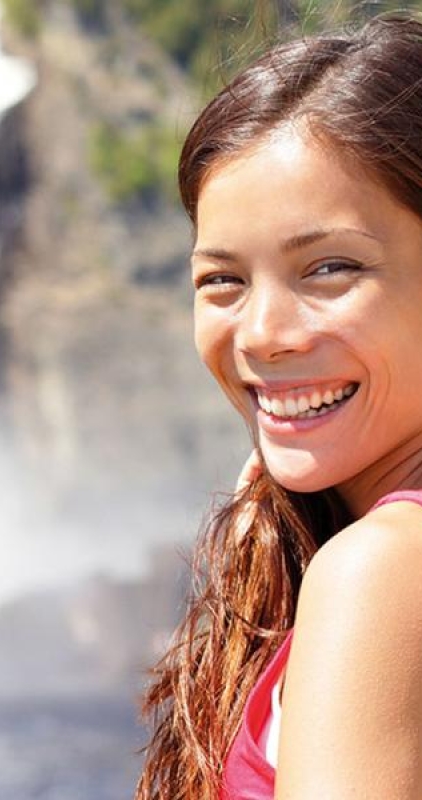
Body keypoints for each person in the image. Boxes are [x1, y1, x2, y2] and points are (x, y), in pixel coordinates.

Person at [136, 12, 422, 800]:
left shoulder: (382, 570)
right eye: (221, 281)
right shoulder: (323, 531)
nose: (263, 334)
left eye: (330, 268)